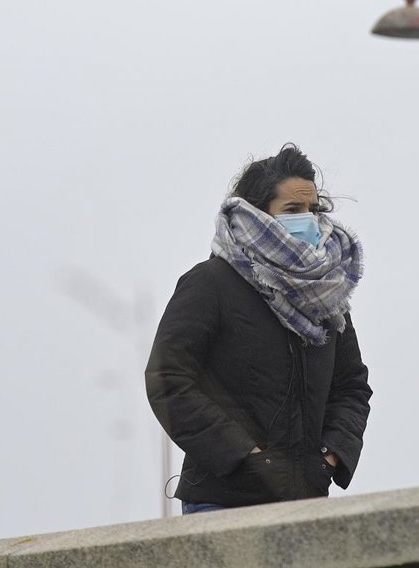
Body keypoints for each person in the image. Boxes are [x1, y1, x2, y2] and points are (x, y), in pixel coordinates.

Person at [145, 144, 372, 515]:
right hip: (221, 503)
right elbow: (167, 378)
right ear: (258, 213)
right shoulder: (211, 283)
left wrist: (329, 457)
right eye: (292, 210)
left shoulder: (327, 297)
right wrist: (245, 456)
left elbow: (351, 386)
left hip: (306, 502)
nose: (308, 220)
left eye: (313, 209)